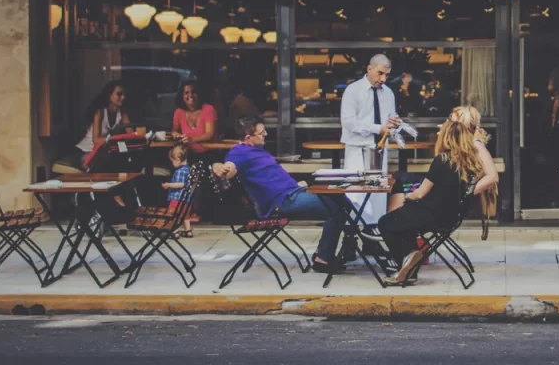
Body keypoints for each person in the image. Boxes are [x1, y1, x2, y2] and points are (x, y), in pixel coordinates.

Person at [213, 116, 347, 273]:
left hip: (294, 192)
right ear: (248, 138)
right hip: (282, 202)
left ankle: (323, 253)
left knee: (341, 198)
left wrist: (296, 185)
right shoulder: (239, 151)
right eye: (261, 133)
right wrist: (218, 167)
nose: (265, 135)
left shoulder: (258, 150)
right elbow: (228, 169)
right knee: (337, 206)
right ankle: (324, 259)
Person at [377, 118, 482, 286]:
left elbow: (420, 193)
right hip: (450, 216)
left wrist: (406, 197)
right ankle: (409, 268)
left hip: (432, 215)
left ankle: (407, 260)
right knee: (404, 222)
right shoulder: (470, 163)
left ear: (446, 138)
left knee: (386, 222)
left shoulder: (442, 160)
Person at [340, 54, 401, 224]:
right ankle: (350, 241)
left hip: (379, 150)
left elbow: (391, 120)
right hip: (357, 149)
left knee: (378, 196)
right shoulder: (353, 90)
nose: (383, 79)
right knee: (355, 195)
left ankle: (372, 238)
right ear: (369, 69)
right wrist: (378, 128)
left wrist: (395, 124)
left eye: (387, 75)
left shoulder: (388, 93)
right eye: (380, 73)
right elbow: (349, 122)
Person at [70, 80, 132, 169]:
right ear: (110, 96)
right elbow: (96, 140)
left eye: (124, 94)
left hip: (101, 152)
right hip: (85, 150)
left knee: (123, 162)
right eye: (119, 94)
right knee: (101, 164)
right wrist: (118, 140)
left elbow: (131, 136)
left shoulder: (122, 113)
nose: (123, 97)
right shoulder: (100, 112)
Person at [172, 81, 219, 154]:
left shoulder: (208, 109)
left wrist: (192, 140)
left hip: (208, 153)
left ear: (199, 94)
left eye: (193, 92)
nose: (190, 95)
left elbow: (209, 134)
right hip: (187, 154)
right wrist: (176, 135)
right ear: (182, 96)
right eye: (186, 93)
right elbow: (174, 131)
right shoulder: (179, 112)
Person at [163, 145, 194, 239]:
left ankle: (174, 231)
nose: (172, 163)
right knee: (186, 216)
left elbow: (181, 184)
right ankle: (188, 231)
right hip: (187, 199)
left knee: (173, 215)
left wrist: (168, 185)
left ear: (177, 159)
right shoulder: (189, 169)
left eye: (172, 161)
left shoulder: (180, 171)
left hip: (177, 198)